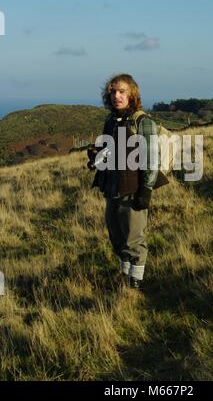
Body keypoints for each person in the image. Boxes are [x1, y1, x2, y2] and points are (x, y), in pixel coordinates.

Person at [89, 74, 168, 290]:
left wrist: (146, 190)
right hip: (112, 189)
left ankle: (136, 284)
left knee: (133, 239)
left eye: (122, 91)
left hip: (132, 190)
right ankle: (124, 277)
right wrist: (97, 157)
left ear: (132, 94)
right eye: (113, 91)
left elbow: (151, 159)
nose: (116, 96)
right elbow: (110, 151)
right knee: (116, 237)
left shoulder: (143, 123)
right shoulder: (111, 122)